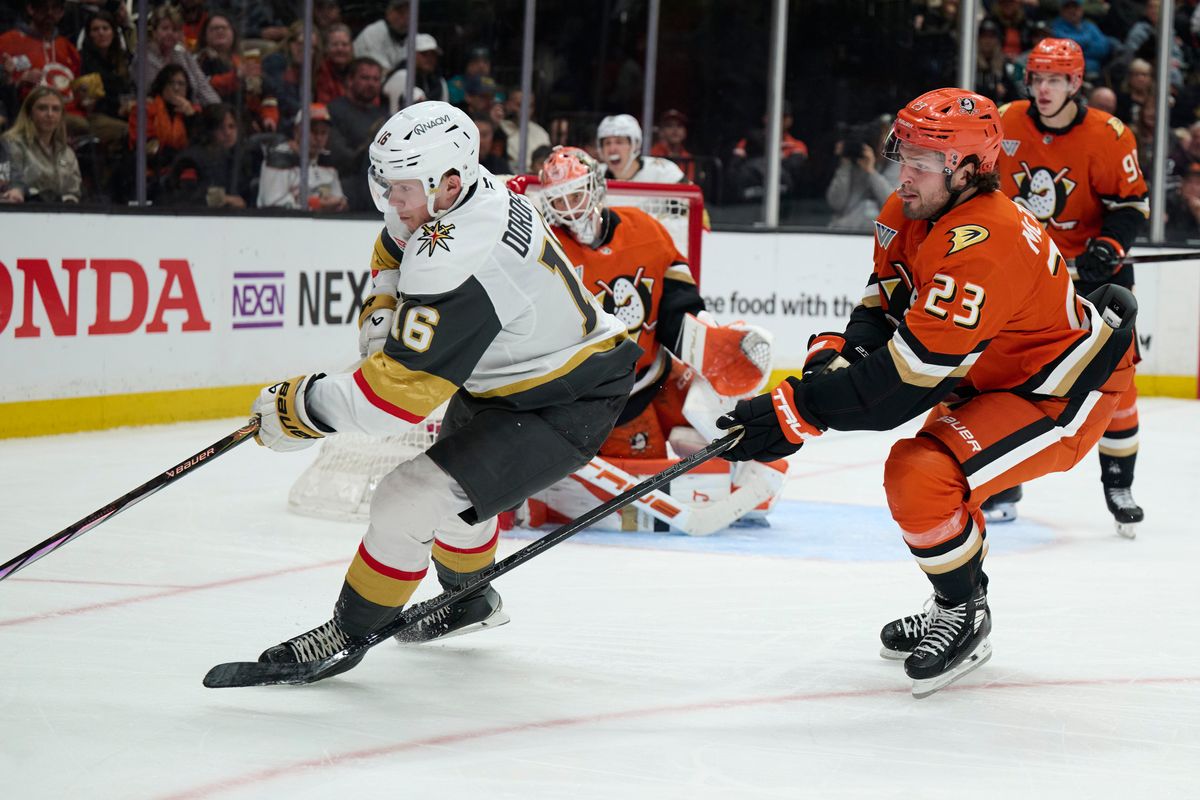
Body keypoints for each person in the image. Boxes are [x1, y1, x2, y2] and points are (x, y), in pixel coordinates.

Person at [715, 88, 1138, 698]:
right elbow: (883, 303)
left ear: (968, 169)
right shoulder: (910, 207)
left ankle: (963, 610)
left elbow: (905, 386)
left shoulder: (985, 242)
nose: (904, 175)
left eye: (922, 161)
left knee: (922, 474)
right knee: (928, 479)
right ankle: (957, 596)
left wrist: (799, 409)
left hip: (1059, 390)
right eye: (903, 155)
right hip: (992, 375)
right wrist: (836, 360)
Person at [248, 101, 640, 671]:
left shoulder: (459, 254)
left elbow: (393, 401)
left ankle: (350, 633)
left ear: (448, 183)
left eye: (401, 189)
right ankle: (469, 599)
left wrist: (301, 407)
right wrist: (382, 313)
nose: (392, 201)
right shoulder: (458, 192)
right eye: (387, 186)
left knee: (407, 498)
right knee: (459, 499)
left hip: (567, 399)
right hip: (509, 379)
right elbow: (392, 244)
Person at [526, 146, 782, 533]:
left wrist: (706, 338)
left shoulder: (645, 229)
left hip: (658, 373)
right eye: (558, 200)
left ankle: (753, 467)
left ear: (596, 187)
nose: (569, 207)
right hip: (609, 402)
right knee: (640, 484)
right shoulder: (549, 252)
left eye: (575, 193)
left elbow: (679, 302)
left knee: (716, 409)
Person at [995, 38, 1149, 535]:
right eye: (1037, 79)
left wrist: (1108, 245)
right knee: (999, 377)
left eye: (1055, 80)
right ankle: (1001, 482)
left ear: (1075, 83)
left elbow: (1132, 205)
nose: (1043, 89)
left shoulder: (1109, 134)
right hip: (1027, 276)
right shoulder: (1005, 121)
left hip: (1097, 279)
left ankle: (1119, 485)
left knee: (1118, 386)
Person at [256, 102, 347, 211]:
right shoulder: (279, 159)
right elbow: (273, 204)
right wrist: (315, 204)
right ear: (297, 132)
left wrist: (341, 203)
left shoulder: (328, 163)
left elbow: (338, 198)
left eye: (323, 133)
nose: (319, 138)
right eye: (313, 131)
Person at [162, 102, 254, 208]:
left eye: (231, 126)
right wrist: (224, 199)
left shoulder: (240, 159)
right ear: (209, 130)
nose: (227, 133)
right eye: (220, 127)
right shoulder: (190, 160)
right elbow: (185, 198)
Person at [3, 85, 82, 202]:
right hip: (23, 209)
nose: (50, 114)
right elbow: (11, 184)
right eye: (42, 108)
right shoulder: (12, 143)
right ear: (29, 113)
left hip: (61, 211)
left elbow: (73, 193)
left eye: (55, 109)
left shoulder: (67, 153)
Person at [137, 4, 219, 107]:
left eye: (175, 30)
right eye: (165, 28)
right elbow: (159, 95)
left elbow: (203, 86)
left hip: (192, 109)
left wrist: (218, 110)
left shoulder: (182, 54)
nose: (170, 33)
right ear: (154, 32)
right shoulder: (144, 59)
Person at [826, 119, 894, 232]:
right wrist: (845, 164)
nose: (885, 143)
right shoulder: (850, 166)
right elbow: (836, 203)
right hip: (842, 231)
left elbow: (893, 205)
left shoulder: (896, 166)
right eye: (881, 139)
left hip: (879, 235)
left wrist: (871, 172)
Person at [596, 113, 685, 182]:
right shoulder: (594, 176)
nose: (612, 149)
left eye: (619, 142)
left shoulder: (663, 172)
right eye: (607, 143)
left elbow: (690, 198)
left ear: (635, 145)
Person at [381, 33, 447, 112]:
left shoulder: (439, 82)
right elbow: (395, 111)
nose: (430, 58)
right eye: (424, 54)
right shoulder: (402, 76)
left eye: (433, 54)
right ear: (412, 54)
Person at [352, 0, 409, 75]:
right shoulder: (373, 32)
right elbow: (381, 73)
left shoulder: (411, 37)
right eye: (400, 12)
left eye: (408, 13)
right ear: (388, 13)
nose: (405, 17)